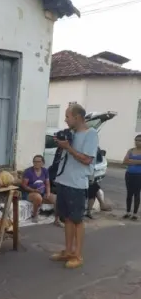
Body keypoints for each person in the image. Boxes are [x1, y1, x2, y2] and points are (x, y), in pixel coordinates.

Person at [50, 103, 99, 269]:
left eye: (67, 117)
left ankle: (78, 255)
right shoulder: (71, 133)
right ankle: (68, 251)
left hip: (77, 184)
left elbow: (87, 159)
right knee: (68, 219)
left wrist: (68, 148)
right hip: (64, 181)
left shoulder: (90, 134)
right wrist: (62, 145)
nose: (65, 120)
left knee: (77, 220)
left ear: (77, 117)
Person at [21, 155, 56, 223]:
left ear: (42, 163)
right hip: (29, 193)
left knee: (56, 199)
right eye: (35, 161)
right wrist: (34, 190)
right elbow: (24, 185)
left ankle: (57, 219)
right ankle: (35, 215)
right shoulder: (28, 171)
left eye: (38, 161)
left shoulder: (45, 171)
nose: (36, 163)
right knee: (38, 197)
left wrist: (48, 193)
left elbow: (47, 184)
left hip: (42, 192)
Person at [122, 134, 141, 220]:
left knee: (137, 194)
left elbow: (128, 161)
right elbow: (124, 161)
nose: (137, 142)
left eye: (139, 141)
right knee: (129, 194)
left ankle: (135, 214)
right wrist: (138, 161)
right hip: (129, 174)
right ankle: (128, 212)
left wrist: (131, 161)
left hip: (139, 175)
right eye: (136, 140)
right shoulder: (131, 150)